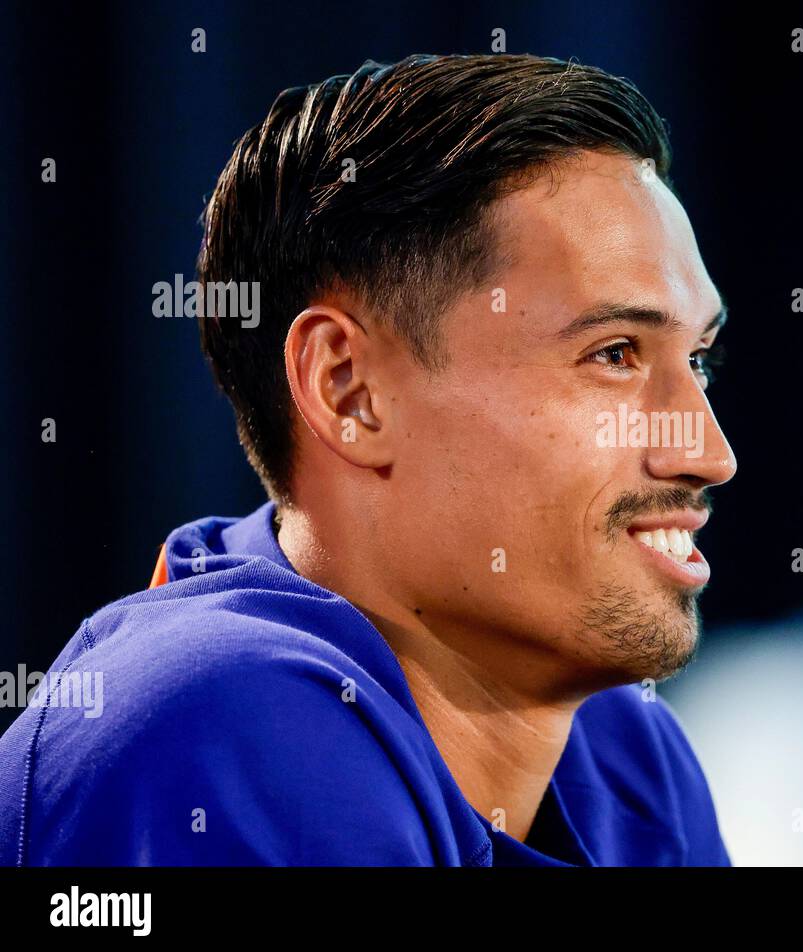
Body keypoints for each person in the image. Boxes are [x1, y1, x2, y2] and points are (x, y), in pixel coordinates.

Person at [0, 53, 737, 866]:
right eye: (615, 353)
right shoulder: (221, 721)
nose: (708, 454)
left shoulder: (625, 758)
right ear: (350, 391)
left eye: (697, 360)